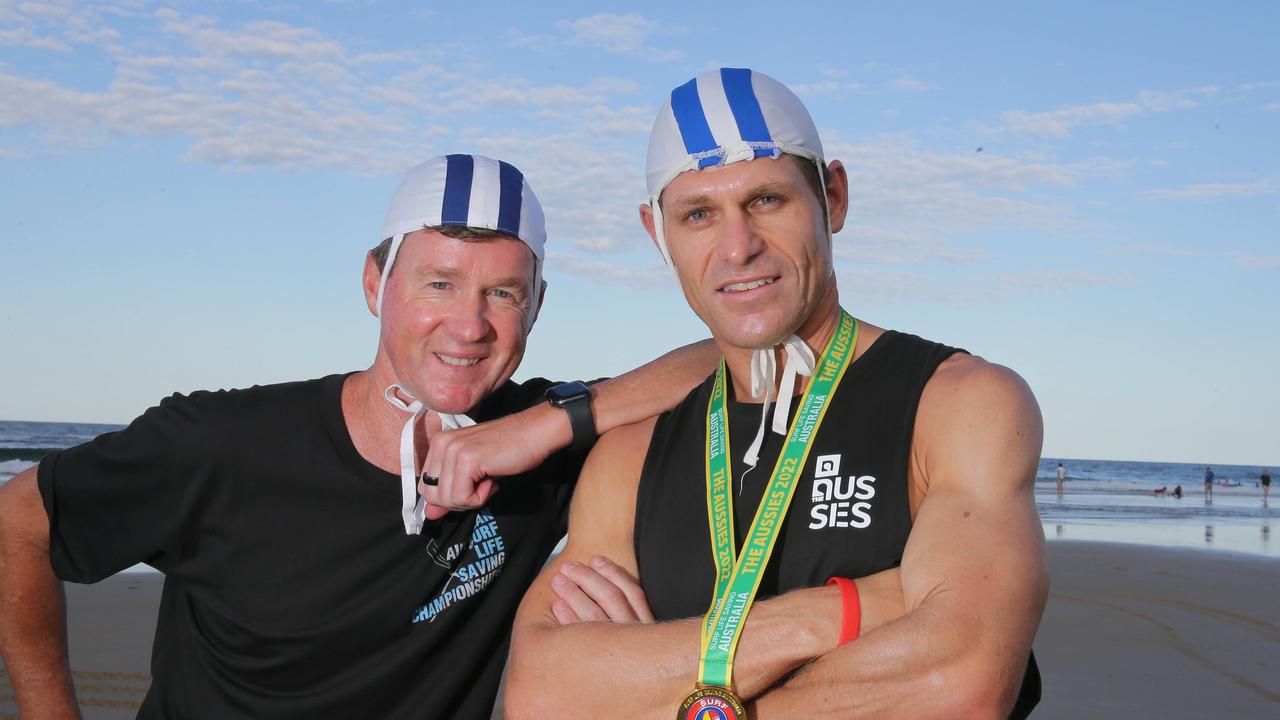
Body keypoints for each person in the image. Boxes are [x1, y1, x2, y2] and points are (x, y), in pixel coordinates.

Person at [0, 154, 718, 719]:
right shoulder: (222, 444)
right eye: (438, 284)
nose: (470, 326)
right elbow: (19, 521)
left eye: (502, 293)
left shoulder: (542, 444)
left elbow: (748, 350)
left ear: (536, 308)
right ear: (376, 283)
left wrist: (542, 428)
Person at [506, 68, 1046, 719]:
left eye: (766, 200)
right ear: (658, 235)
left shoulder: (959, 405)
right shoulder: (627, 457)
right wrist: (836, 614)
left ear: (834, 197)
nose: (739, 248)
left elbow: (957, 684)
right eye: (699, 214)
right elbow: (542, 694)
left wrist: (650, 687)